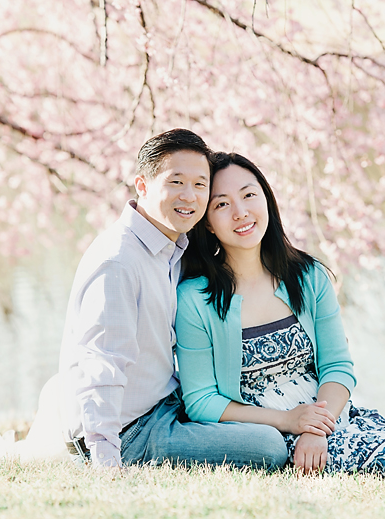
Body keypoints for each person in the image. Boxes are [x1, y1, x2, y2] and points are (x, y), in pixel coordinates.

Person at [174, 152, 385, 486]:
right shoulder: (195, 299)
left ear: (266, 198)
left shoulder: (308, 276)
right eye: (222, 205)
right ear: (207, 222)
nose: (241, 212)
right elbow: (201, 401)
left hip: (332, 418)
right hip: (268, 432)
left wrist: (316, 426)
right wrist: (289, 422)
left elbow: (337, 366)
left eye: (249, 195)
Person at [58, 130, 289, 469]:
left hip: (165, 403)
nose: (190, 196)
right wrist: (106, 462)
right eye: (176, 182)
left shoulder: (171, 248)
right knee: (268, 446)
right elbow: (101, 365)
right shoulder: (119, 261)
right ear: (142, 186)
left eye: (200, 185)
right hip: (130, 432)